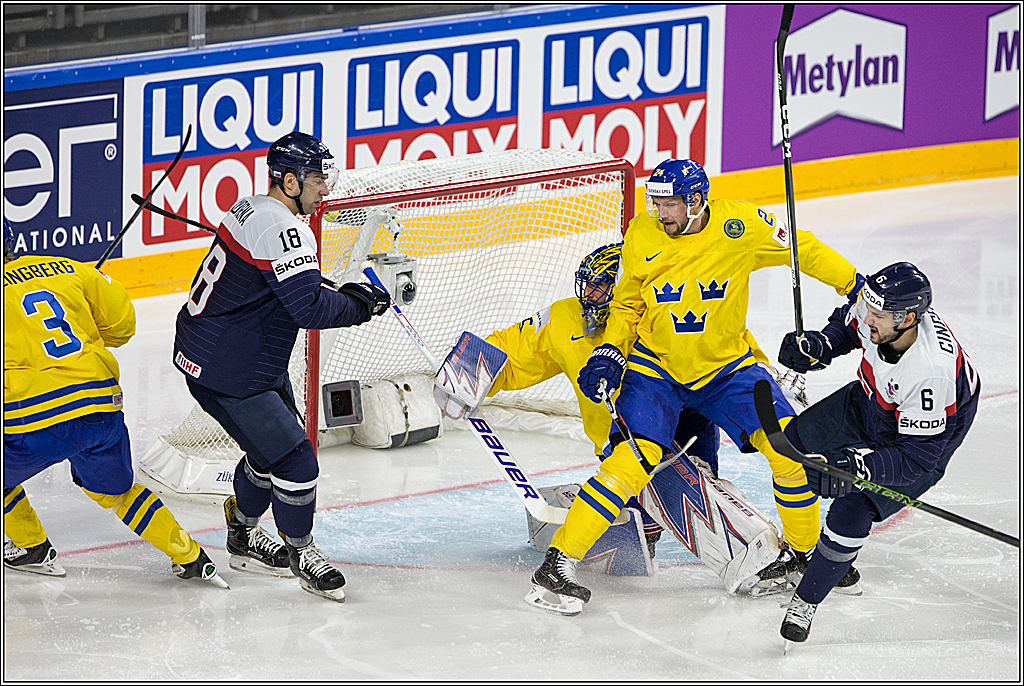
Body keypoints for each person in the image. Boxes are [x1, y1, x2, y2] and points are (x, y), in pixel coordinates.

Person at [534, 158, 862, 614]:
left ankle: (802, 555)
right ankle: (559, 563)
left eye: (668, 204)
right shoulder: (643, 234)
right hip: (656, 369)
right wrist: (610, 349)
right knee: (633, 459)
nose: (659, 212)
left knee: (790, 450)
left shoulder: (741, 225)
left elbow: (801, 248)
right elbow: (626, 305)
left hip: (729, 368)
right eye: (656, 202)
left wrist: (852, 284)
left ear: (695, 201)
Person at [437, 242, 790, 614]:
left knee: (698, 485)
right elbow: (512, 351)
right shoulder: (565, 319)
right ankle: (625, 529)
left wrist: (769, 386)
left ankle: (675, 529)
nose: (588, 295)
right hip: (625, 436)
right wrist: (467, 374)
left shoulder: (666, 315)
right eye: (587, 284)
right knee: (649, 480)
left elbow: (730, 353)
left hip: (687, 419)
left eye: (600, 286)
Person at [172, 132, 391, 602]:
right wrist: (360, 305)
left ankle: (243, 534)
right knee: (295, 457)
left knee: (269, 450)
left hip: (234, 353)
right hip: (229, 369)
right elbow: (308, 310)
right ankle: (302, 550)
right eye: (316, 180)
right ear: (289, 181)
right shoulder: (285, 228)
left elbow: (270, 282)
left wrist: (324, 288)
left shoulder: (251, 206)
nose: (324, 189)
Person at [3, 217, 225, 587]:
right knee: (117, 493)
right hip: (100, 408)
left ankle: (32, 548)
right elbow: (122, 326)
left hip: (35, 419)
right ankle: (190, 557)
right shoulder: (70, 269)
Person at [775, 262, 980, 646]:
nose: (867, 317)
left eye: (879, 316)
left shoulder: (930, 371)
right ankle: (826, 558)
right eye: (868, 307)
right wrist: (821, 346)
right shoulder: (881, 309)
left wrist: (859, 466)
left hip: (925, 441)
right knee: (794, 446)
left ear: (908, 320)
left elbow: (915, 458)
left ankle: (808, 598)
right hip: (871, 400)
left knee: (851, 509)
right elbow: (848, 325)